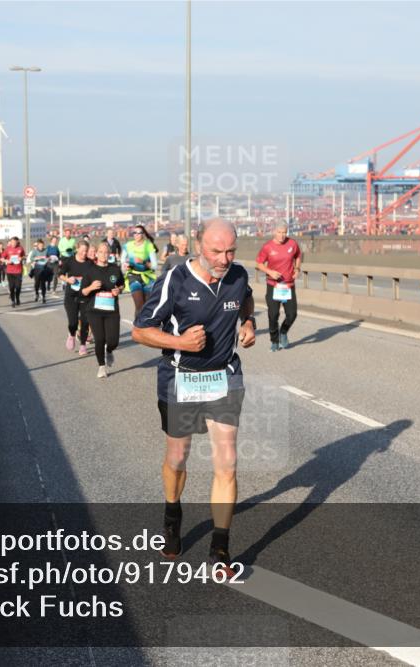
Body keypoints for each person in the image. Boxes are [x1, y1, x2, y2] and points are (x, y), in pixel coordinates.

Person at [131, 219, 256, 572]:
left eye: (230, 251)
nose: (224, 259)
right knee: (177, 458)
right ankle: (172, 516)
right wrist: (180, 342)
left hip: (224, 376)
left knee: (227, 461)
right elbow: (141, 331)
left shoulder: (237, 275)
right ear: (200, 245)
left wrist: (249, 324)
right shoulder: (176, 280)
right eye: (217, 251)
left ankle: (220, 549)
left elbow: (246, 300)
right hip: (180, 377)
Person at [255, 223, 302, 351]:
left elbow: (298, 256)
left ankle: (283, 332)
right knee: (273, 315)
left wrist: (297, 269)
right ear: (274, 232)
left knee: (292, 314)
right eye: (279, 232)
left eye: (284, 232)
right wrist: (270, 272)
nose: (282, 235)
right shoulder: (267, 247)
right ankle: (274, 341)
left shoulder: (292, 244)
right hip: (273, 285)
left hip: (288, 285)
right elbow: (259, 263)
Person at [82, 241, 126, 378]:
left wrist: (119, 290)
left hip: (111, 310)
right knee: (100, 339)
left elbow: (122, 284)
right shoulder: (90, 271)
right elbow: (83, 292)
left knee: (113, 341)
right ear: (96, 254)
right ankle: (101, 366)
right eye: (101, 252)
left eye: (106, 252)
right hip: (94, 311)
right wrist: (91, 287)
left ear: (109, 254)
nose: (103, 254)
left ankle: (110, 351)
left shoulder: (115, 269)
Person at [60, 240, 92, 355]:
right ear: (77, 249)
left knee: (85, 322)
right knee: (73, 322)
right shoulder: (70, 261)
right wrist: (68, 280)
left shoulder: (90, 263)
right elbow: (60, 274)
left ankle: (83, 345)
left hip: (85, 296)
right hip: (71, 296)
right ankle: (72, 334)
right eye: (82, 251)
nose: (84, 253)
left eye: (86, 251)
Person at [122, 225, 159, 313]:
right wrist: (125, 265)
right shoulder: (128, 245)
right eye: (135, 233)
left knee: (147, 307)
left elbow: (155, 266)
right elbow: (122, 261)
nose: (137, 234)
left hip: (147, 277)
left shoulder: (149, 246)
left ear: (143, 234)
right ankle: (138, 322)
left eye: (139, 233)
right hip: (133, 276)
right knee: (139, 305)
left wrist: (143, 262)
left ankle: (142, 321)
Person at [1, 237, 26, 307]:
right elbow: (2, 259)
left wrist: (21, 258)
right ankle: (13, 301)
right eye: (12, 242)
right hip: (10, 271)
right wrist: (7, 261)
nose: (13, 243)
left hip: (18, 271)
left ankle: (17, 298)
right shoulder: (7, 249)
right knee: (11, 287)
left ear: (17, 242)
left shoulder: (20, 248)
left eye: (15, 242)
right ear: (10, 242)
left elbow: (24, 256)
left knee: (18, 287)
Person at [29, 239, 51, 303]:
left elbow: (49, 257)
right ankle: (37, 294)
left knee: (43, 283)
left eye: (42, 245)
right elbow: (31, 258)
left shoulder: (46, 250)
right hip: (37, 268)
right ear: (38, 246)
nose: (41, 247)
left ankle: (44, 297)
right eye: (40, 245)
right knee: (37, 283)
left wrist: (47, 259)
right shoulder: (34, 251)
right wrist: (38, 258)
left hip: (44, 268)